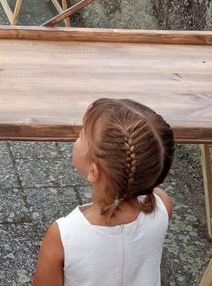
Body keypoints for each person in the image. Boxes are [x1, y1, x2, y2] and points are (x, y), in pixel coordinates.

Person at [32, 98, 175, 286]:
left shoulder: (63, 236)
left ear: (94, 171)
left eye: (82, 135)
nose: (78, 135)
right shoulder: (163, 207)